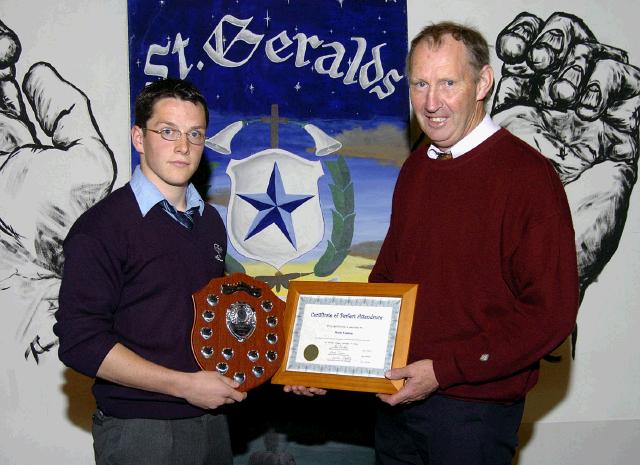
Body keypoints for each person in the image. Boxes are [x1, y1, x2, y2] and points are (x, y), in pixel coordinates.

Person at [368, 22, 579, 464]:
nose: (431, 102)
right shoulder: (415, 170)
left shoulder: (527, 177)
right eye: (420, 84)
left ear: (482, 82)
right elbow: (387, 278)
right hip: (397, 402)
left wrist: (445, 371)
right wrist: (330, 361)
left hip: (473, 417)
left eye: (448, 83)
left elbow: (550, 314)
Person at [53, 78, 246, 465]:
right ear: (138, 138)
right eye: (168, 131)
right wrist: (184, 386)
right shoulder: (102, 227)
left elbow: (212, 321)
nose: (183, 146)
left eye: (195, 133)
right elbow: (80, 341)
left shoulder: (210, 222)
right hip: (141, 432)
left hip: (212, 422)